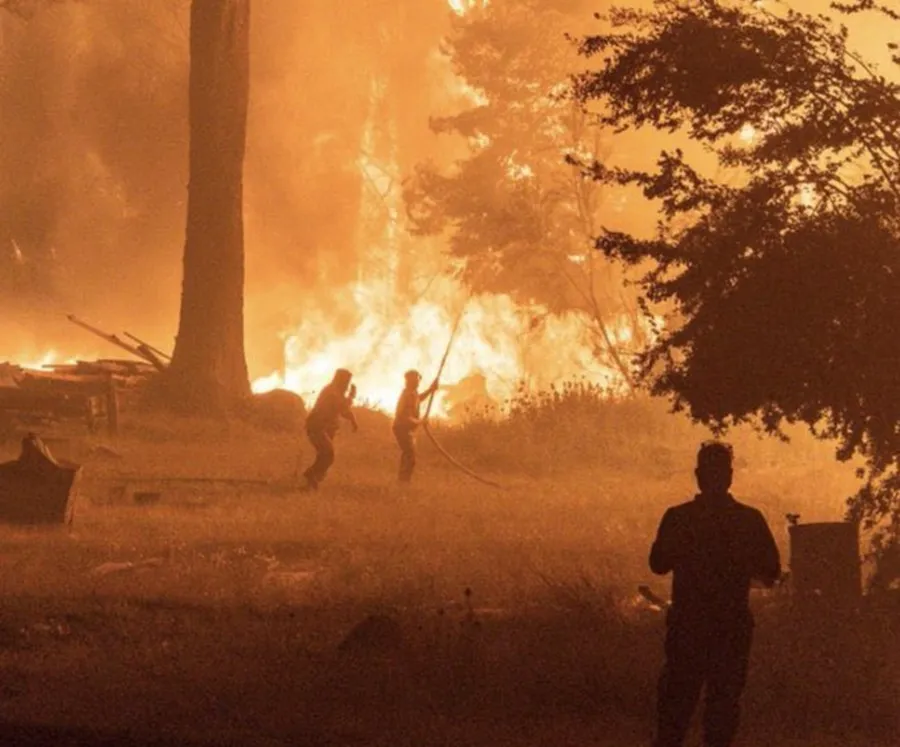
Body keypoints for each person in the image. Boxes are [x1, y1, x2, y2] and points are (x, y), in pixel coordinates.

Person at [649, 441, 781, 747]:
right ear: (730, 476)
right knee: (722, 709)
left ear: (698, 475)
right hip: (731, 627)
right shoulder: (748, 520)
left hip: (688, 626)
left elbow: (657, 565)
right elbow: (771, 572)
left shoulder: (679, 518)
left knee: (675, 710)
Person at [301, 368, 358, 490]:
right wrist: (351, 397)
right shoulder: (331, 392)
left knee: (324, 455)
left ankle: (311, 481)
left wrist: (353, 421)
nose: (347, 385)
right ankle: (310, 476)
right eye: (346, 382)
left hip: (324, 428)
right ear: (340, 380)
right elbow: (341, 406)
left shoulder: (336, 392)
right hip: (316, 426)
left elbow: (343, 411)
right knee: (328, 454)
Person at [392, 369, 438, 483]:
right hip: (401, 428)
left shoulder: (413, 393)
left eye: (418, 379)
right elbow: (405, 416)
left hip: (406, 428)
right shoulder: (407, 395)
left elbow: (419, 399)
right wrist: (420, 422)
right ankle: (403, 481)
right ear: (410, 381)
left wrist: (430, 390)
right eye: (416, 380)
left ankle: (403, 480)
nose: (418, 382)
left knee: (408, 454)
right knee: (409, 455)